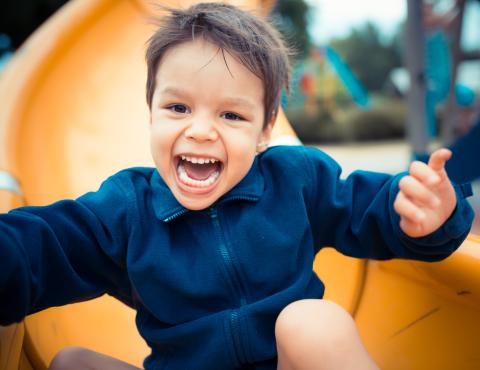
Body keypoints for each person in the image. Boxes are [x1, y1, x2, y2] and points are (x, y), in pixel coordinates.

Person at [0, 3, 474, 370]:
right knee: (71, 362)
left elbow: (367, 210)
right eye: (178, 108)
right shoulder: (128, 210)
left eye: (230, 115)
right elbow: (49, 245)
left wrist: (426, 216)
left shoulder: (296, 180)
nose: (201, 130)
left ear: (264, 131)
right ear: (150, 113)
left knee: (311, 320)